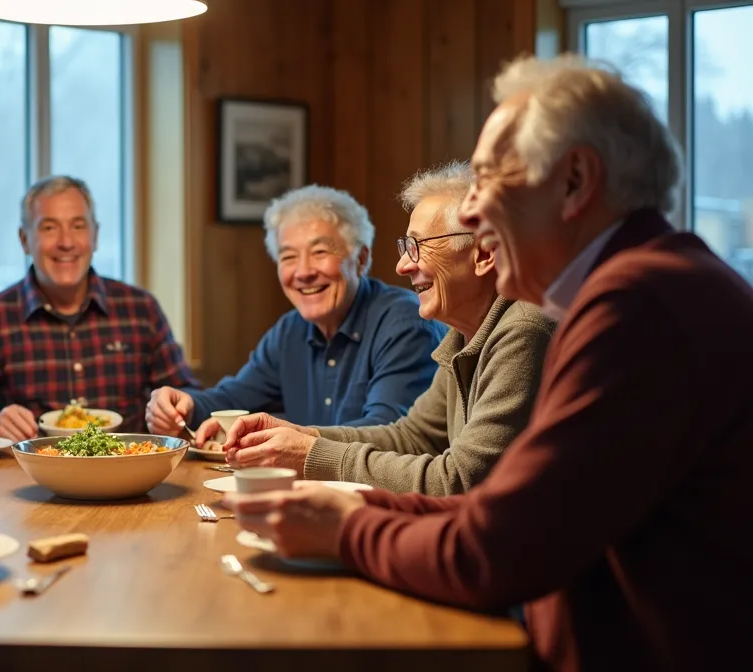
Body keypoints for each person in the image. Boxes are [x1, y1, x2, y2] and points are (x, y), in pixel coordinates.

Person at [225, 55, 753, 671]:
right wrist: (353, 501)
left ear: (575, 181)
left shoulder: (635, 306)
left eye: (488, 179)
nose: (472, 214)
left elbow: (497, 547)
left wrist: (344, 528)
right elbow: (503, 507)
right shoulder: (646, 285)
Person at [214, 162, 555, 495]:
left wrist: (310, 454)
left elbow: (461, 480)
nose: (402, 265)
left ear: (483, 253)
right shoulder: (465, 334)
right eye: (405, 247)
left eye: (418, 246)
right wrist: (304, 436)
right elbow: (413, 437)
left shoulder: (524, 330)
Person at [147, 184, 445, 435]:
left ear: (361, 259)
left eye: (320, 252)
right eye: (288, 257)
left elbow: (386, 432)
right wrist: (185, 405)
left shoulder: (405, 322)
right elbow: (233, 398)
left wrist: (291, 438)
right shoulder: (289, 331)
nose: (303, 272)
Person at [0, 176, 198, 440]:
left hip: (132, 462)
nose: (66, 242)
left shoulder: (141, 311)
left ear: (95, 236)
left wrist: (174, 413)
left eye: (78, 226)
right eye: (49, 228)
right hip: (33, 463)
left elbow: (186, 395)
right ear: (24, 240)